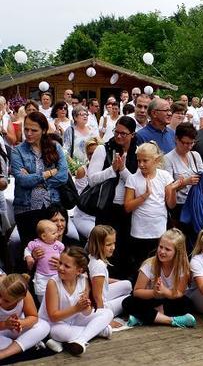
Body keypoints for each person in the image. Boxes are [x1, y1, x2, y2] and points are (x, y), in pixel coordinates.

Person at [87, 116, 138, 279]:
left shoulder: (137, 152)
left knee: (123, 248)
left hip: (129, 207)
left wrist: (122, 170)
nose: (119, 136)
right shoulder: (103, 149)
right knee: (103, 248)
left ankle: (121, 284)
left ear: (132, 135)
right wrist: (112, 170)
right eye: (117, 132)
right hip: (106, 207)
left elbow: (137, 183)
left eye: (124, 133)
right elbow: (92, 179)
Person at [39, 246, 113, 355]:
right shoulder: (53, 283)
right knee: (59, 333)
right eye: (60, 263)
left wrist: (85, 307)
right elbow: (53, 316)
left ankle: (81, 340)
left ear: (79, 271)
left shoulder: (84, 280)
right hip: (55, 324)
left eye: (66, 266)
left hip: (74, 319)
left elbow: (86, 312)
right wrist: (76, 308)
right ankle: (97, 331)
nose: (60, 268)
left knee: (108, 312)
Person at [11, 111, 68, 246]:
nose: (29, 133)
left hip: (51, 206)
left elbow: (63, 176)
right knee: (31, 251)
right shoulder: (18, 151)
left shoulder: (55, 147)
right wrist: (46, 174)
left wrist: (35, 180)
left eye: (34, 130)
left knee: (52, 251)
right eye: (26, 129)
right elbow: (22, 180)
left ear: (43, 130)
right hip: (26, 209)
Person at [124, 142, 181, 273]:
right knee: (141, 266)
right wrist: (144, 196)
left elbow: (171, 204)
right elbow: (127, 207)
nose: (141, 164)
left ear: (156, 160)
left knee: (159, 265)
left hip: (159, 230)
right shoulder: (133, 179)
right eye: (139, 161)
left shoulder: (164, 176)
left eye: (145, 160)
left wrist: (172, 190)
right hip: (139, 232)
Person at [122, 229, 195, 327]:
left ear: (177, 252)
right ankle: (171, 321)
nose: (162, 251)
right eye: (160, 247)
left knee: (187, 304)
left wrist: (165, 292)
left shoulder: (182, 268)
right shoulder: (149, 265)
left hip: (170, 299)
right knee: (127, 303)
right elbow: (137, 291)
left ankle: (143, 317)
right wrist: (154, 293)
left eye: (167, 249)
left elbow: (179, 293)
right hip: (151, 299)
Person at [164, 123, 203, 249]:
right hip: (179, 207)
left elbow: (201, 176)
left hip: (195, 204)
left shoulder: (195, 155)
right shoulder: (168, 159)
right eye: (185, 143)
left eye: (192, 143)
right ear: (176, 139)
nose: (189, 146)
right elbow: (168, 189)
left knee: (196, 240)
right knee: (181, 242)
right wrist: (184, 183)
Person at [88, 225, 132, 326]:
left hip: (103, 294)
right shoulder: (98, 265)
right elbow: (97, 296)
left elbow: (101, 280)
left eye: (114, 243)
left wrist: (118, 283)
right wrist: (105, 319)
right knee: (129, 299)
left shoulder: (92, 258)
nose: (113, 247)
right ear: (98, 244)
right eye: (108, 245)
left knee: (127, 284)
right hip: (99, 306)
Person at [0, 274, 50, 361]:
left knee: (44, 326)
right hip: (1, 332)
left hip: (15, 330)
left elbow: (33, 317)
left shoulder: (25, 296)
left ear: (19, 299)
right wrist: (5, 324)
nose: (0, 301)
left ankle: (4, 353)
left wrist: (21, 323)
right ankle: (25, 345)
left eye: (7, 300)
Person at [25, 220, 65, 302]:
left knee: (58, 293)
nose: (57, 235)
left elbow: (65, 255)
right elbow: (27, 250)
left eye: (56, 232)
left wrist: (61, 261)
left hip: (56, 274)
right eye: (54, 233)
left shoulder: (58, 245)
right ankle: (43, 306)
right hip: (41, 275)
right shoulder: (36, 243)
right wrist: (28, 257)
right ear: (43, 236)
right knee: (42, 294)